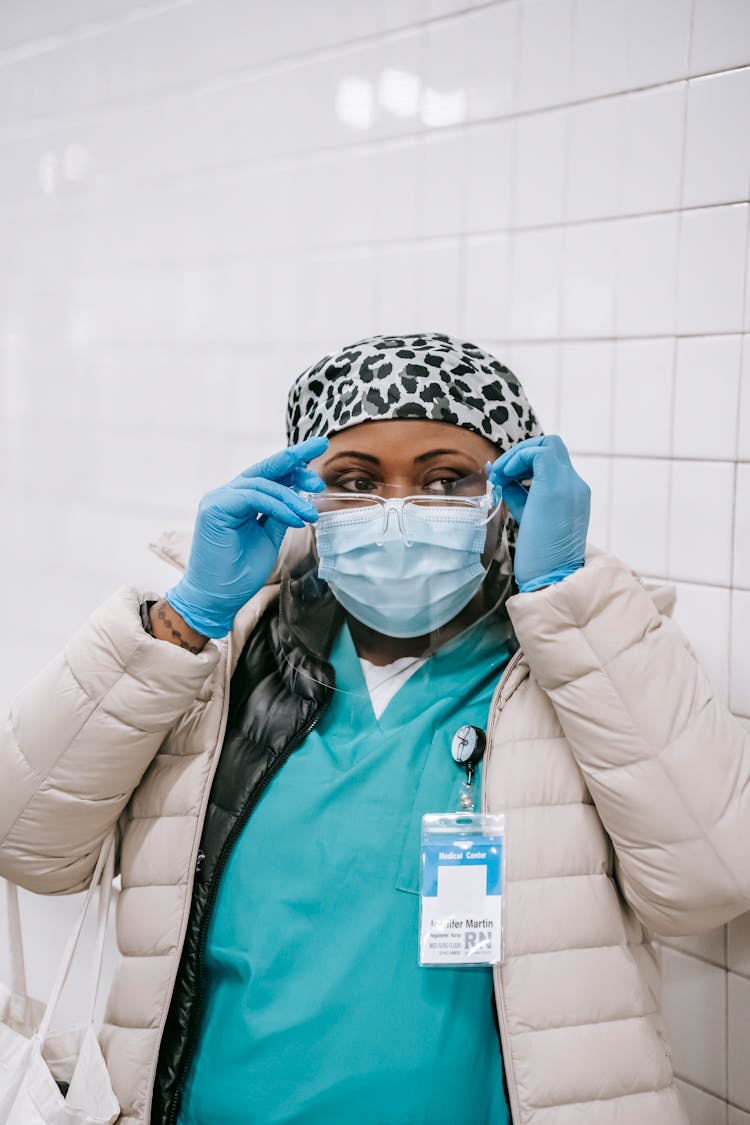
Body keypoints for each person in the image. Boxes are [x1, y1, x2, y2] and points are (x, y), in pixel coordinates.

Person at [1, 331, 748, 1125]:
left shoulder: (576, 662)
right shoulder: (225, 663)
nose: (397, 511)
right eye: (355, 481)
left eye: (445, 479)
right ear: (305, 500)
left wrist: (571, 595)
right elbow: (26, 839)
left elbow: (711, 876)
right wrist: (182, 618)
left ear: (505, 495)